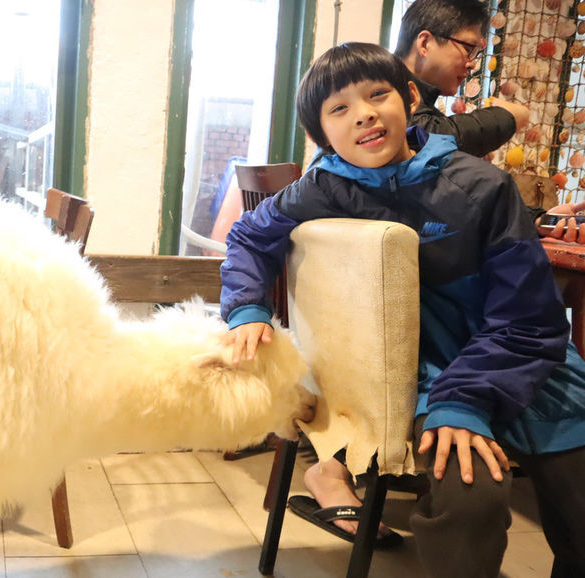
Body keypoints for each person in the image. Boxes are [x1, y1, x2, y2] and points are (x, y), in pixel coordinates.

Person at [220, 42, 585, 577]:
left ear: (409, 97)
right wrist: (247, 308)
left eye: (377, 95)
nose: (363, 113)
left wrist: (467, 398)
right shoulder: (323, 188)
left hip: (520, 360)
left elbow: (531, 321)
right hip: (419, 373)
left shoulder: (481, 188)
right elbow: (249, 236)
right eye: (339, 109)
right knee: (471, 492)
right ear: (322, 135)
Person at [395, 0, 585, 243]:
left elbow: (460, 192)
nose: (472, 62)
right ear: (425, 43)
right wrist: (507, 115)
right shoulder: (379, 86)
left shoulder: (418, 103)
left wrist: (536, 220)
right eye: (468, 48)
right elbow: (424, 135)